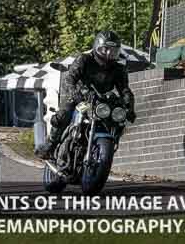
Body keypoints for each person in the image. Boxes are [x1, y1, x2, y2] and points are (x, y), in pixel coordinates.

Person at [34, 31, 135, 160]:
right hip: (80, 95)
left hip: (103, 101)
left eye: (113, 51)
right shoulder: (84, 59)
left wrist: (129, 107)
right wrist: (74, 93)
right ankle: (50, 145)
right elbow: (69, 79)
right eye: (105, 49)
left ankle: (108, 146)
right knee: (63, 115)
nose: (109, 53)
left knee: (119, 121)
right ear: (97, 47)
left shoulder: (118, 68)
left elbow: (125, 90)